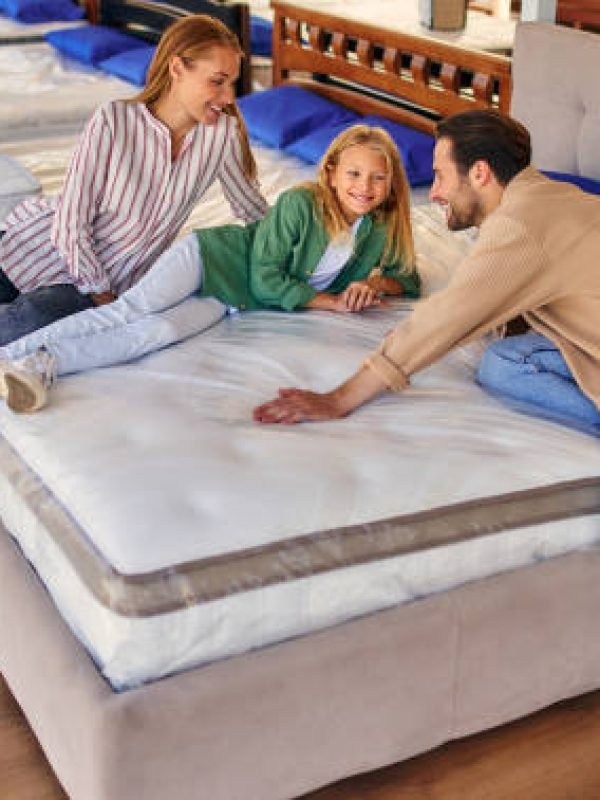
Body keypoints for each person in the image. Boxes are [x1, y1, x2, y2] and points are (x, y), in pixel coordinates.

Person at [0, 124, 420, 413]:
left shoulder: (378, 227)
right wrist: (330, 303)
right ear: (330, 173)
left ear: (391, 185)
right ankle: (9, 356)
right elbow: (266, 277)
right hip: (210, 259)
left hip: (233, 298)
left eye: (378, 178)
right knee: (129, 311)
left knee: (156, 333)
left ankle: (42, 365)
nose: (364, 187)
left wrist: (373, 281)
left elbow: (408, 278)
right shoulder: (301, 203)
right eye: (354, 173)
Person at [253, 109, 600, 436]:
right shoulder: (551, 195)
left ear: (479, 173)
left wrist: (339, 399)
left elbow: (449, 316)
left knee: (501, 364)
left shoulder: (519, 225)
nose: (433, 193)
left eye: (440, 175)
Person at [0, 14, 268, 346]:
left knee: (25, 324)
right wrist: (103, 297)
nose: (228, 97)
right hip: (36, 249)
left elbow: (255, 213)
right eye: (217, 81)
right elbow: (70, 222)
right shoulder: (114, 121)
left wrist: (308, 251)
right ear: (177, 69)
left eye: (233, 83)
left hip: (98, 284)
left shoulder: (221, 136)